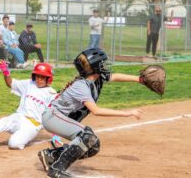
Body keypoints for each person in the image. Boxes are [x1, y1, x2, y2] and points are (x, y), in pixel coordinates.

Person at [37, 48, 145, 177]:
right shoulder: (81, 86)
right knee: (87, 136)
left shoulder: (94, 78)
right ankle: (57, 169)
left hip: (59, 118)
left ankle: (51, 155)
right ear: (95, 67)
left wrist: (140, 79)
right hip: (52, 117)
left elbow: (115, 76)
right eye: (102, 64)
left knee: (94, 146)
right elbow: (96, 111)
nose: (104, 66)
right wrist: (127, 113)